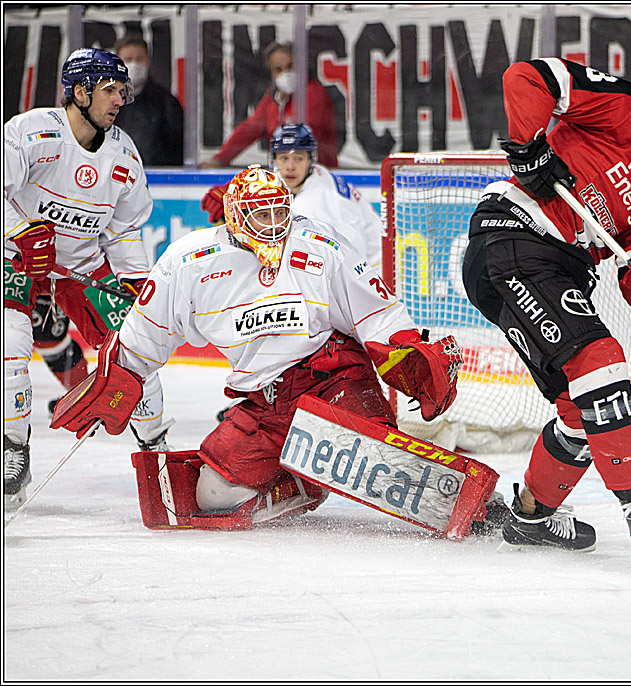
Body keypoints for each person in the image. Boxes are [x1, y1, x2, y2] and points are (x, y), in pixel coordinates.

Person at [51, 165, 463, 529]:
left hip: (331, 377)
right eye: (260, 214)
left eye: (280, 211)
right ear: (235, 216)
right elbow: (148, 331)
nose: (274, 224)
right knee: (212, 497)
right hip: (266, 405)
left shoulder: (319, 243)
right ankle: (302, 483)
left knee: (380, 458)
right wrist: (121, 374)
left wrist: (406, 348)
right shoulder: (188, 262)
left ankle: (473, 504)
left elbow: (376, 309)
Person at [461, 58, 631, 570]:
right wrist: (530, 148)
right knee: (601, 361)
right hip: (513, 237)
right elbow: (524, 77)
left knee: (581, 409)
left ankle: (531, 517)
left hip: (558, 268)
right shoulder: (623, 108)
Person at [4, 48, 174, 510]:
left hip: (82, 264)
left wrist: (136, 278)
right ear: (80, 91)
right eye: (110, 90)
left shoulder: (123, 155)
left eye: (123, 90)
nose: (120, 99)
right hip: (17, 261)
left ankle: (157, 451)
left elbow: (121, 229)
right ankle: (12, 451)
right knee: (10, 338)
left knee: (135, 345)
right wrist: (18, 232)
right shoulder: (30, 133)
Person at [202, 124, 382, 268]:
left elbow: (352, 254)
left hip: (371, 275)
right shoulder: (316, 175)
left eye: (298, 158)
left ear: (310, 160)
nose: (290, 166)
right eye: (283, 158)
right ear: (273, 161)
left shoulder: (322, 201)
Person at [199, 42, 338, 169]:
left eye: (290, 66)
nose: (285, 73)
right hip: (285, 178)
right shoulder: (272, 98)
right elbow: (248, 130)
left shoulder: (314, 94)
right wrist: (220, 160)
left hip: (317, 179)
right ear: (271, 73)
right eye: (278, 69)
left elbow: (306, 134)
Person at [113, 34, 184, 166]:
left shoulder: (166, 103)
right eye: (128, 59)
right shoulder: (106, 103)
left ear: (148, 60)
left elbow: (178, 148)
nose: (134, 65)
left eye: (139, 59)